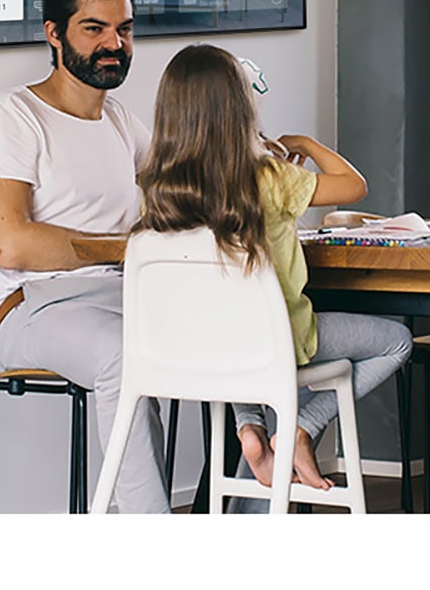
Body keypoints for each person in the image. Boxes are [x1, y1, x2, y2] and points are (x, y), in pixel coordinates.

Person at [135, 44, 412, 507]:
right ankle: (298, 429)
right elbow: (354, 185)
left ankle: (249, 426)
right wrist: (302, 145)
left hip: (197, 350)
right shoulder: (268, 176)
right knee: (395, 341)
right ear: (240, 109)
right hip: (278, 341)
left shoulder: (157, 189)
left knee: (238, 346)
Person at [0, 0, 169, 513]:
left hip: (124, 297)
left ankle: (252, 507)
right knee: (125, 356)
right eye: (95, 29)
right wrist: (126, 249)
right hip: (34, 306)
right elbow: (15, 243)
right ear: (54, 34)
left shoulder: (122, 122)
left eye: (124, 29)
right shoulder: (11, 115)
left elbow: (183, 193)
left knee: (253, 329)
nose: (115, 44)